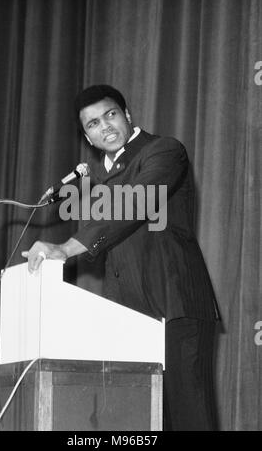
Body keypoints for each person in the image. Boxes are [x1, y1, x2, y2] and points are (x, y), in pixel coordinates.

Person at [22, 84, 220, 431]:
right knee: (138, 421)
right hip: (126, 315)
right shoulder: (97, 180)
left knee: (188, 419)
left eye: (110, 115)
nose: (106, 127)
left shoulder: (165, 150)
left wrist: (66, 248)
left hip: (176, 305)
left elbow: (137, 203)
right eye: (93, 124)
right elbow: (102, 249)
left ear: (127, 115)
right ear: (87, 136)